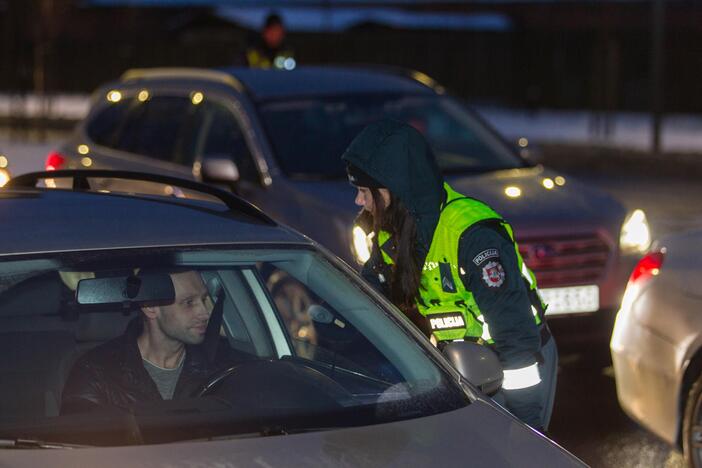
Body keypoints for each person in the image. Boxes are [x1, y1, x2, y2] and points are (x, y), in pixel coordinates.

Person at [341, 119, 558, 432]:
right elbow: (371, 311)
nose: (359, 201)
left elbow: (516, 339)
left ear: (396, 188)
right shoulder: (391, 235)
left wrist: (525, 430)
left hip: (517, 362)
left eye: (364, 191)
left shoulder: (471, 235)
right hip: (460, 364)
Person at [61, 269, 231, 413]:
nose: (204, 313)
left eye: (203, 300)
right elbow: (80, 445)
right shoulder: (94, 371)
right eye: (188, 302)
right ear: (150, 307)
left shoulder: (223, 364)